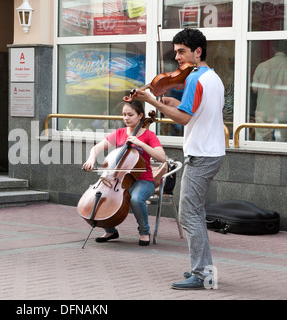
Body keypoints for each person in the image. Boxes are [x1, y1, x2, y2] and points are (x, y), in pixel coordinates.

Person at [133, 28, 226, 290]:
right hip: (210, 151)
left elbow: (185, 119)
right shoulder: (211, 77)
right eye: (175, 52)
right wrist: (173, 102)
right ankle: (202, 268)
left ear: (198, 51)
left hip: (203, 154)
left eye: (182, 51)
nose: (177, 57)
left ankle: (202, 274)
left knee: (190, 214)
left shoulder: (196, 79)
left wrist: (153, 101)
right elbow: (196, 112)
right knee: (193, 212)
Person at [82, 100, 166, 245]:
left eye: (130, 115)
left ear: (140, 116)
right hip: (118, 180)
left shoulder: (149, 136)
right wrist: (91, 158)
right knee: (101, 197)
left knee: (136, 199)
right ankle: (110, 230)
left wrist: (140, 143)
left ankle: (144, 232)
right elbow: (96, 148)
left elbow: (162, 157)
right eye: (124, 115)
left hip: (144, 180)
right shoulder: (119, 133)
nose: (126, 118)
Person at [252, 40, 287, 142]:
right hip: (283, 112)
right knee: (282, 144)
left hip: (264, 111)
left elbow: (254, 89)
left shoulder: (262, 66)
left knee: (262, 143)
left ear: (273, 49)